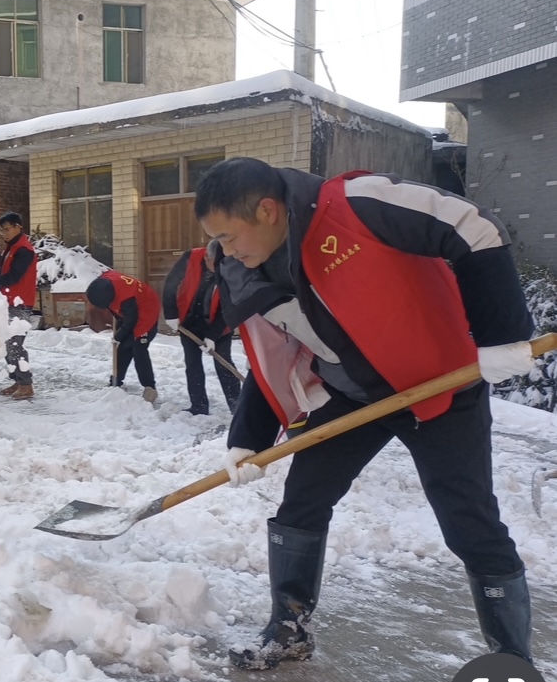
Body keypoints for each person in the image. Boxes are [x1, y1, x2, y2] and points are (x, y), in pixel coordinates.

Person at [195, 157, 536, 670]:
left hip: (440, 389)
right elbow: (274, 356)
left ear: (267, 211)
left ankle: (512, 660)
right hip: (353, 394)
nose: (224, 250)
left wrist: (500, 332)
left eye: (227, 235)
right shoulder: (244, 271)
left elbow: (472, 225)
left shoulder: (357, 206)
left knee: (470, 524)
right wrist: (249, 438)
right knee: (300, 506)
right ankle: (287, 628)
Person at [162, 238, 241, 415]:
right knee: (193, 364)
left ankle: (237, 407)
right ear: (206, 257)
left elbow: (231, 306)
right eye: (216, 264)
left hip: (219, 324)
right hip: (189, 322)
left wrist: (213, 334)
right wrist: (171, 313)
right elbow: (171, 283)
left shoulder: (233, 265)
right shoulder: (190, 257)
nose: (220, 269)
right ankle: (198, 406)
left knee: (224, 364)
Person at [0, 211, 39, 400]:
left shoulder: (24, 249)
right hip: (8, 301)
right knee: (8, 344)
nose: (4, 233)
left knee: (15, 344)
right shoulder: (11, 248)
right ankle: (17, 380)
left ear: (18, 227)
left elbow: (15, 276)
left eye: (7, 229)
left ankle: (26, 384)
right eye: (2, 230)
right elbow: (2, 271)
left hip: (20, 302)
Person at [85, 270, 161, 403]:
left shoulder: (127, 298)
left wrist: (118, 336)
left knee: (139, 348)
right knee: (123, 347)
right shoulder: (105, 280)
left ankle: (150, 387)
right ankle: (116, 381)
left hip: (147, 311)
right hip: (131, 310)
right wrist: (120, 332)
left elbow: (131, 321)